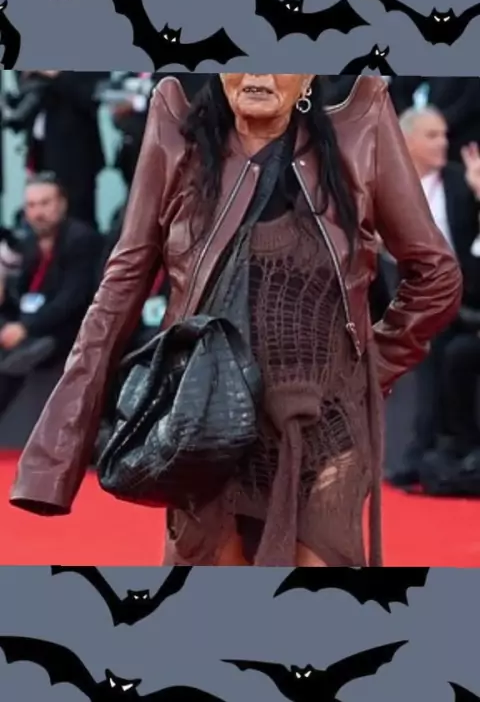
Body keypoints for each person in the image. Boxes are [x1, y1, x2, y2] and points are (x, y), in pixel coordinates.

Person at [9, 74, 462, 568]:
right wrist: (56, 449)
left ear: (309, 74)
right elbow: (121, 285)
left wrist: (370, 372)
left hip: (326, 422)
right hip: (208, 419)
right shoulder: (179, 140)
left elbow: (435, 274)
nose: (257, 74)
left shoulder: (360, 135)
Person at [389, 107, 480, 487]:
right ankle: (425, 450)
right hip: (410, 297)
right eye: (432, 135)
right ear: (407, 141)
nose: (443, 142)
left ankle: (429, 450)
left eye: (444, 134)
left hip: (468, 301)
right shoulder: (388, 185)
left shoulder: (462, 183)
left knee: (435, 340)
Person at [0, 173, 102, 416]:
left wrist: (25, 327)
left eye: (45, 203)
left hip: (67, 330)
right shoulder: (28, 244)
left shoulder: (81, 239)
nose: (38, 213)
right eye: (31, 205)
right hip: (33, 327)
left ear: (62, 204)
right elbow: (23, 297)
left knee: (17, 361)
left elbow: (71, 300)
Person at [12, 71, 105, 226]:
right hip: (39, 148)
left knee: (77, 218)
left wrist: (53, 73)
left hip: (75, 154)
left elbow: (91, 94)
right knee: (40, 216)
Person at [389, 77, 480, 163]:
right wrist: (409, 118)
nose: (442, 142)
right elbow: (400, 88)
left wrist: (436, 120)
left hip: (462, 138)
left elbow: (469, 99)